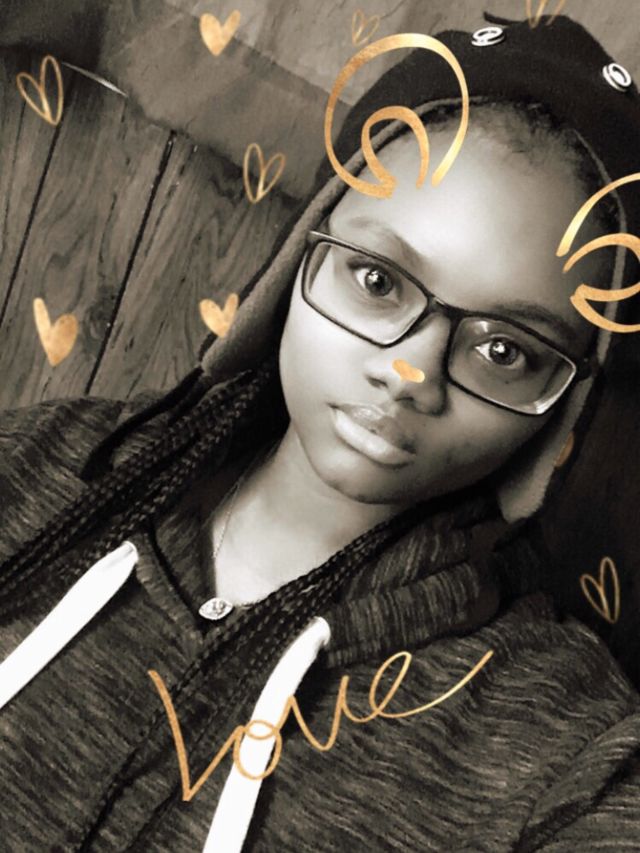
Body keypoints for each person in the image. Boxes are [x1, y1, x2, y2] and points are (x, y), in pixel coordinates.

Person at [1, 10, 640, 852]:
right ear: (300, 257)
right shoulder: (41, 464)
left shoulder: (560, 742)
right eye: (377, 279)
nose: (410, 371)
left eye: (504, 350)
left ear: (564, 410)